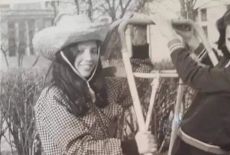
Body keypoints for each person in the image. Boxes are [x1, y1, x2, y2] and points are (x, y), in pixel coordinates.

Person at [153, 2, 230, 155]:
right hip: (192, 143)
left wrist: (172, 39)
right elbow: (219, 71)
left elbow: (195, 76)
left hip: (202, 150)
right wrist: (192, 40)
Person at [33, 14, 157, 155]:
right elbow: (78, 150)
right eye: (80, 51)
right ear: (65, 55)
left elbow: (138, 85)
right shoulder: (54, 98)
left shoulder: (103, 88)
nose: (89, 58)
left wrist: (139, 38)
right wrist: (132, 147)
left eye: (93, 51)